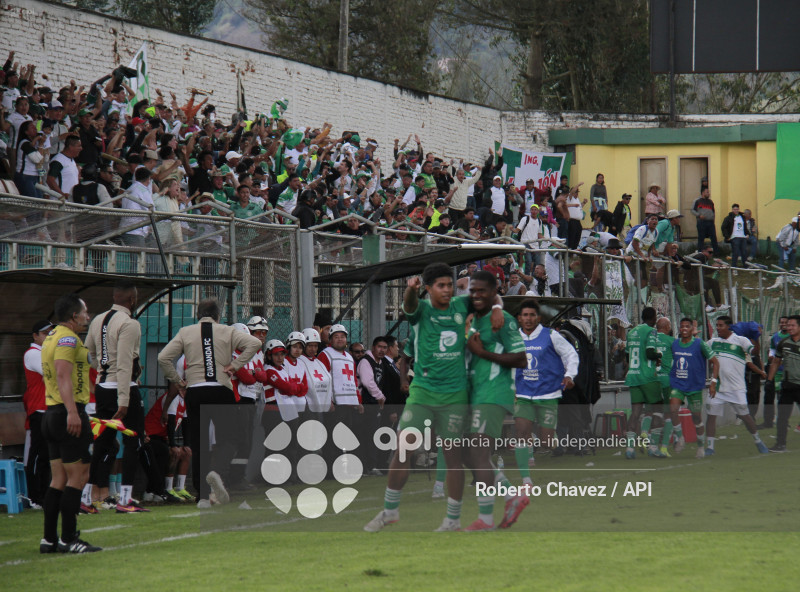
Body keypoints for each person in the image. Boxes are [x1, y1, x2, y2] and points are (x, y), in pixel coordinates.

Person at [364, 262, 504, 533]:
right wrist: (410, 290)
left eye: (450, 285)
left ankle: (452, 519)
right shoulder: (422, 310)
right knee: (403, 449)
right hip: (423, 393)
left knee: (452, 457)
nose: (447, 290)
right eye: (441, 285)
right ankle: (390, 510)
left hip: (455, 396)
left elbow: (490, 295)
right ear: (428, 289)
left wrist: (497, 307)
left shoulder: (462, 306)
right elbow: (409, 305)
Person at [157, 298, 262, 507]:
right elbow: (255, 343)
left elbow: (162, 357)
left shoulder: (186, 332)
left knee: (199, 443)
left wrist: (179, 383)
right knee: (230, 438)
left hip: (195, 391)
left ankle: (202, 495)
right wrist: (235, 364)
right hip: (221, 390)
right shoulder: (226, 331)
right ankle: (217, 471)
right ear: (217, 316)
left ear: (198, 315)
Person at [460, 272, 526, 531]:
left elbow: (521, 359)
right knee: (467, 454)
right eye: (471, 290)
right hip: (473, 394)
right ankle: (512, 496)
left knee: (478, 451)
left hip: (494, 392)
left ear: (492, 291)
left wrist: (482, 352)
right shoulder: (471, 319)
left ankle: (485, 519)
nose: (475, 295)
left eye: (480, 291)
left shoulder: (505, 321)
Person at [40, 294, 101, 553]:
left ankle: (49, 540)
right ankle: (68, 538)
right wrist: (73, 413)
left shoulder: (51, 336)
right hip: (68, 413)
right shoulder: (67, 338)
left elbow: (75, 367)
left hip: (51, 414)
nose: (87, 316)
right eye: (85, 312)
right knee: (79, 477)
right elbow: (64, 375)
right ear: (74, 317)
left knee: (59, 479)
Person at [507, 298, 577, 508]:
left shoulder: (551, 336)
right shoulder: (513, 339)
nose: (528, 319)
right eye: (524, 315)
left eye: (531, 315)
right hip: (524, 394)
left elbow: (571, 354)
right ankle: (526, 480)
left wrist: (570, 375)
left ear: (538, 318)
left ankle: (547, 436)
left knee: (547, 442)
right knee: (520, 432)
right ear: (519, 318)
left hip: (548, 393)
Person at [705, 316, 769, 456]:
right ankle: (710, 447)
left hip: (736, 388)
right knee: (711, 416)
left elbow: (755, 352)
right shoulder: (713, 342)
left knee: (745, 417)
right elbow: (700, 349)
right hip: (718, 388)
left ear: (729, 326)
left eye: (721, 325)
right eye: (717, 325)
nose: (718, 328)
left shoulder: (741, 340)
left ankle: (758, 441)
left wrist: (756, 336)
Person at [668, 318, 719, 459]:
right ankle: (680, 438)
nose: (684, 329)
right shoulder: (675, 344)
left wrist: (713, 382)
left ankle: (701, 446)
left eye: (687, 326)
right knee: (672, 409)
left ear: (691, 329)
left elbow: (715, 362)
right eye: (682, 326)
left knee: (696, 418)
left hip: (694, 386)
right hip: (678, 384)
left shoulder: (699, 344)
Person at [23, 319, 54, 508]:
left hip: (49, 410)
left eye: (51, 333)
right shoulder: (33, 353)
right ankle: (35, 496)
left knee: (46, 455)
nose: (48, 337)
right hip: (39, 409)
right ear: (35, 336)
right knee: (37, 454)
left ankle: (42, 494)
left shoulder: (44, 352)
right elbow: (50, 371)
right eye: (45, 334)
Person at [623, 307, 661, 459]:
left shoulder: (631, 332)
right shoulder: (651, 331)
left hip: (633, 376)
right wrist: (658, 355)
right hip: (648, 376)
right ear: (653, 318)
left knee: (636, 412)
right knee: (657, 411)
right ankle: (652, 447)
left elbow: (626, 355)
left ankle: (630, 449)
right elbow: (650, 352)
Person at [356, 336, 390, 475]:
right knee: (365, 436)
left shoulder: (380, 363)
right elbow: (367, 381)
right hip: (365, 404)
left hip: (373, 404)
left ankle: (370, 465)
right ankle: (366, 467)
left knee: (372, 435)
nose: (382, 350)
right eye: (379, 347)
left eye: (385, 347)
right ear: (373, 347)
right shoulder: (366, 361)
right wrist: (380, 396)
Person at [767, 315, 800, 452]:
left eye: (792, 325)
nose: (789, 327)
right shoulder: (783, 343)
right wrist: (769, 380)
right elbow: (776, 362)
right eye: (788, 325)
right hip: (787, 385)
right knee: (782, 417)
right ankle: (780, 444)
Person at [647, 317, 674, 457]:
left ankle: (652, 446)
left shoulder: (650, 340)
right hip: (667, 381)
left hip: (652, 380)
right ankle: (663, 447)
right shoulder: (671, 341)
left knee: (655, 413)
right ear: (668, 327)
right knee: (669, 413)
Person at [760, 316, 789, 429]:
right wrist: (770, 356)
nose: (783, 324)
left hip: (788, 372)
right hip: (777, 372)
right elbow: (772, 349)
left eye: (785, 322)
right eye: (781, 323)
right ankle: (779, 419)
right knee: (779, 396)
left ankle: (784, 420)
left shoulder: (793, 336)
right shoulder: (775, 337)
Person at [720, 203, 749, 267]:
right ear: (732, 210)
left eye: (737, 209)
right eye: (734, 209)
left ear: (739, 209)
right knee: (735, 252)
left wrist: (747, 234)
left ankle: (746, 265)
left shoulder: (742, 217)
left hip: (742, 236)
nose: (736, 210)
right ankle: (734, 266)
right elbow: (723, 227)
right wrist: (727, 236)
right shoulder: (729, 218)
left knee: (744, 252)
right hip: (734, 237)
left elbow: (745, 226)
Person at [692, 187, 718, 255]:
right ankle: (700, 252)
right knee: (701, 238)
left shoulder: (710, 202)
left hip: (710, 222)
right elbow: (692, 210)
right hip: (701, 222)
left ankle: (716, 253)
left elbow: (713, 211)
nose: (709, 193)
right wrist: (699, 215)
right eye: (707, 192)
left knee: (714, 238)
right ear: (703, 193)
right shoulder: (697, 201)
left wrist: (713, 219)